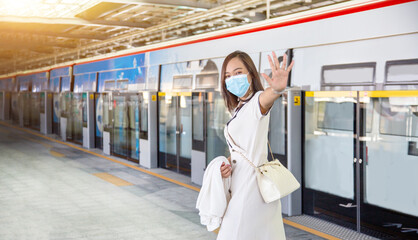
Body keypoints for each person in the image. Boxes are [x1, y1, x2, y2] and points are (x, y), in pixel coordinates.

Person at [217, 50, 294, 240]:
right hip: (242, 186)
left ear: (251, 74)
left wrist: (276, 89)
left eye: (238, 73)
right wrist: (228, 163)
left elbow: (267, 98)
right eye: (227, 76)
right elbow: (242, 149)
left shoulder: (256, 102)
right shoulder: (239, 108)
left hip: (251, 189)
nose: (232, 79)